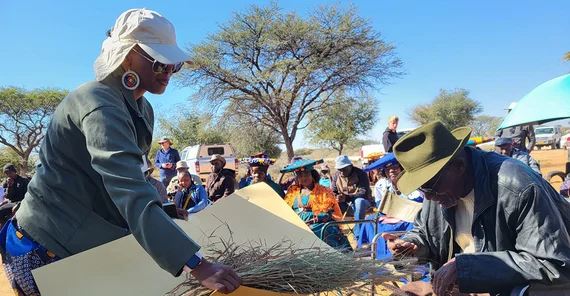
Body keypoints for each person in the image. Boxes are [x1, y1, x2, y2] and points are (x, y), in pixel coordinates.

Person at [0, 9, 241, 295]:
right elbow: (127, 189)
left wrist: (163, 212)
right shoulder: (97, 102)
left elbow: (132, 178)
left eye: (174, 66)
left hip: (89, 240)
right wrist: (198, 266)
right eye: (159, 63)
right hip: (46, 245)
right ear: (127, 55)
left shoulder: (142, 109)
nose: (168, 73)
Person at [383, 121, 570, 295]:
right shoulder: (437, 189)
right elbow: (426, 232)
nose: (428, 197)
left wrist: (468, 267)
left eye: (429, 187)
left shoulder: (516, 186)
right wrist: (412, 245)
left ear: (458, 166)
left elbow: (552, 264)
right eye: (420, 189)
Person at [282, 159, 352, 252]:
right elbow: (286, 209)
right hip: (296, 222)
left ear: (312, 175)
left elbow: (328, 213)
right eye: (300, 176)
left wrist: (312, 220)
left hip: (317, 223)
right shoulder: (292, 190)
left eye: (306, 174)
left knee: (317, 231)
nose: (304, 178)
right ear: (297, 178)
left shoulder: (324, 191)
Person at [331, 155, 373, 240]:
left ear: (350, 166)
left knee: (359, 201)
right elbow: (333, 192)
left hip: (364, 205)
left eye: (344, 169)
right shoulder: (336, 176)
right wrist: (337, 197)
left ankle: (358, 236)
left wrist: (347, 197)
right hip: (346, 205)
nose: (342, 172)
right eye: (340, 170)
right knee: (330, 205)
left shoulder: (361, 173)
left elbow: (363, 192)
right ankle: (335, 235)